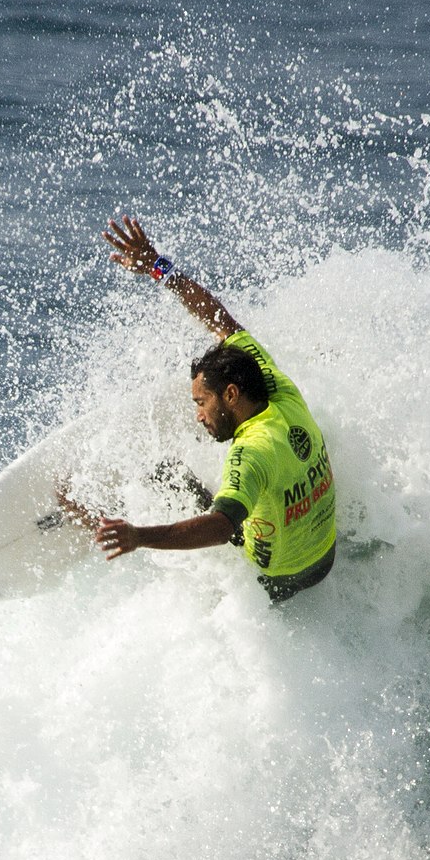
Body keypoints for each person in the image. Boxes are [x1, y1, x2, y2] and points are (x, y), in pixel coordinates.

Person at [88, 217, 338, 604]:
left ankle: (95, 518)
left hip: (280, 580)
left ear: (231, 394)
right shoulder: (277, 386)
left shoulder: (250, 454)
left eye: (202, 403)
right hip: (326, 558)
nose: (198, 415)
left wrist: (139, 536)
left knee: (167, 477)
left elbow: (221, 529)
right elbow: (221, 320)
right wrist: (157, 266)